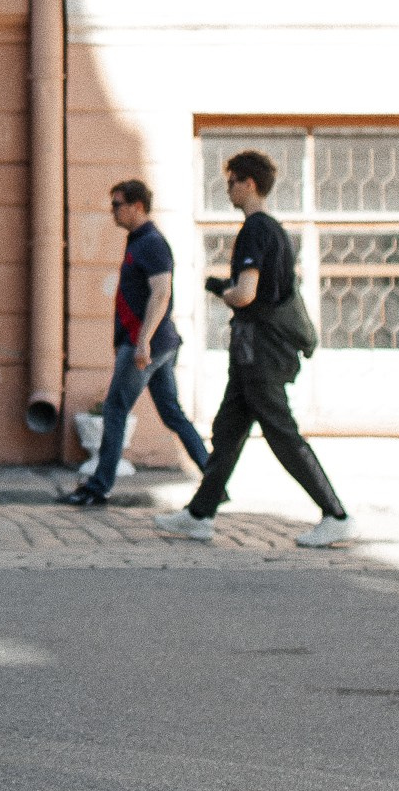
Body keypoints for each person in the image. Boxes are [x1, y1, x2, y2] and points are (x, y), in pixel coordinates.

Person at [179, 149, 352, 546]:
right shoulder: (272, 229)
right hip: (256, 351)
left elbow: (245, 294)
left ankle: (335, 513)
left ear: (249, 183)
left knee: (281, 432)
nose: (228, 190)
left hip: (260, 350)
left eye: (232, 182)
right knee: (228, 429)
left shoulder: (256, 229)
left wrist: (220, 289)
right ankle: (198, 514)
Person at [58, 178, 209, 507]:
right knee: (172, 413)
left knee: (115, 408)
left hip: (149, 344)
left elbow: (161, 293)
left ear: (137, 206)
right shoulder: (138, 241)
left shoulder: (152, 242)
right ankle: (214, 479)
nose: (113, 211)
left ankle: (99, 487)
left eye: (117, 204)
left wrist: (142, 343)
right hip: (151, 342)